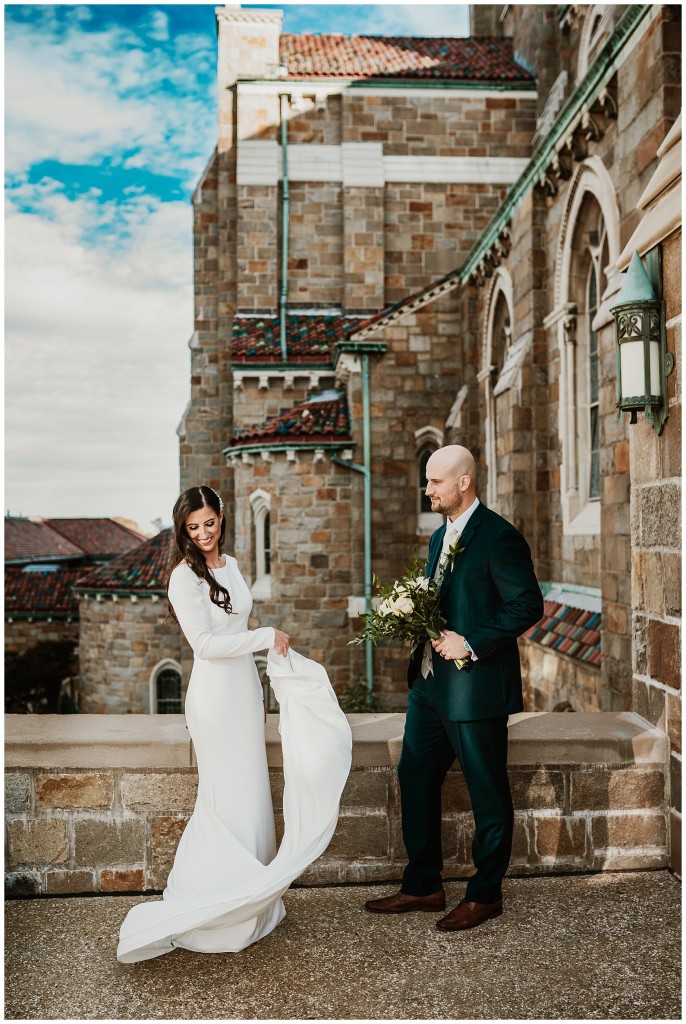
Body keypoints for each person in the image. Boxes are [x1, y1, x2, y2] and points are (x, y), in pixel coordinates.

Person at [117, 485, 351, 962]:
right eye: (193, 527)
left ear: (221, 518)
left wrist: (261, 667)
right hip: (215, 697)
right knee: (225, 793)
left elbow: (238, 630)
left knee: (252, 790)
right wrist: (264, 636)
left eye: (210, 522)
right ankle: (217, 903)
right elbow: (204, 645)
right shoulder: (183, 578)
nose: (203, 534)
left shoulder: (234, 564)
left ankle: (253, 900)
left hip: (245, 691)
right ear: (184, 529)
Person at [365, 445, 543, 931]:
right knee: (415, 777)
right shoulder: (438, 537)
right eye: (427, 481)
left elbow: (527, 605)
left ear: (463, 482)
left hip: (475, 689)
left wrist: (471, 643)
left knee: (488, 793)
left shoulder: (499, 537)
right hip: (428, 686)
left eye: (435, 482)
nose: (427, 490)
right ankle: (423, 885)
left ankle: (486, 895)